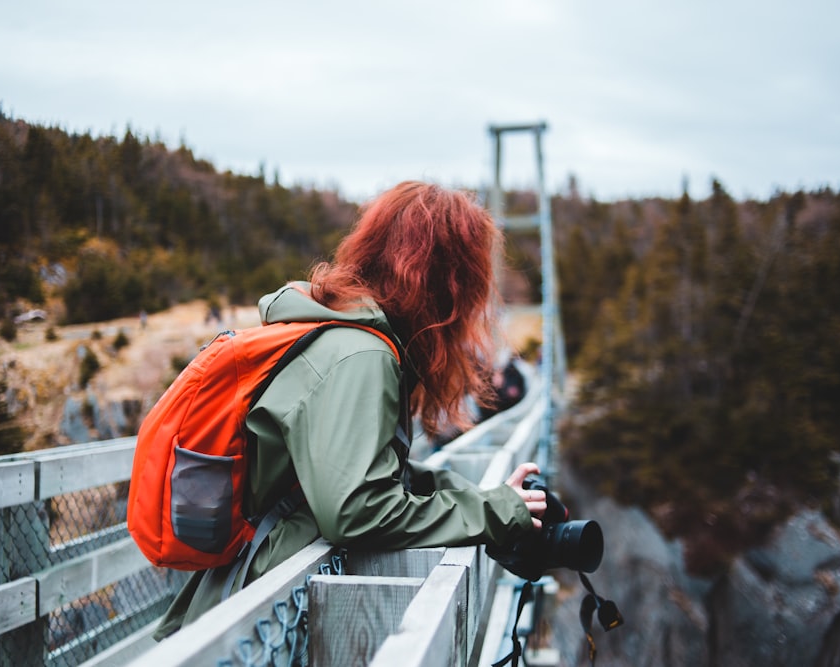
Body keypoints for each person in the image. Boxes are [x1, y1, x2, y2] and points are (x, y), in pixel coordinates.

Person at [154, 181, 546, 639]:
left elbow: (366, 474)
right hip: (263, 616)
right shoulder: (362, 355)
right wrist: (490, 512)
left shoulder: (351, 338)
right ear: (445, 278)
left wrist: (492, 501)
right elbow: (358, 509)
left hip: (260, 595)